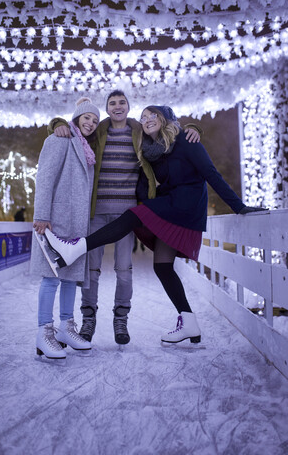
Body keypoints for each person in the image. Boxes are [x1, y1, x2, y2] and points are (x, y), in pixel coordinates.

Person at [43, 105, 267, 346]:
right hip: (171, 204)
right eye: (144, 117)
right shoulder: (154, 150)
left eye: (153, 116)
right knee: (162, 267)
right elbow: (150, 179)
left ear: (165, 118)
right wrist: (58, 123)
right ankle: (189, 322)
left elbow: (211, 174)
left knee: (132, 215)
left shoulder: (186, 140)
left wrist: (239, 207)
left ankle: (75, 248)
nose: (147, 120)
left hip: (186, 206)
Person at [48, 91, 202, 346]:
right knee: (92, 270)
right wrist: (57, 123)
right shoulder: (98, 131)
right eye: (112, 103)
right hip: (96, 210)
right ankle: (89, 320)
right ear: (107, 108)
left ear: (129, 107)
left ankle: (121, 320)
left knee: (124, 270)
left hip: (126, 213)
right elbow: (75, 127)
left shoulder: (140, 131)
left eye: (122, 103)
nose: (117, 106)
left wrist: (194, 128)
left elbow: (169, 130)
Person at [31, 97, 100, 361]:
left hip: (76, 224)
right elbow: (45, 177)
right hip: (55, 220)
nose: (91, 124)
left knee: (71, 276)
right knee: (51, 276)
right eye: (86, 118)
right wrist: (41, 214)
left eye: (94, 120)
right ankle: (44, 330)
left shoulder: (87, 150)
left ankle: (66, 327)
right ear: (76, 118)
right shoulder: (60, 139)